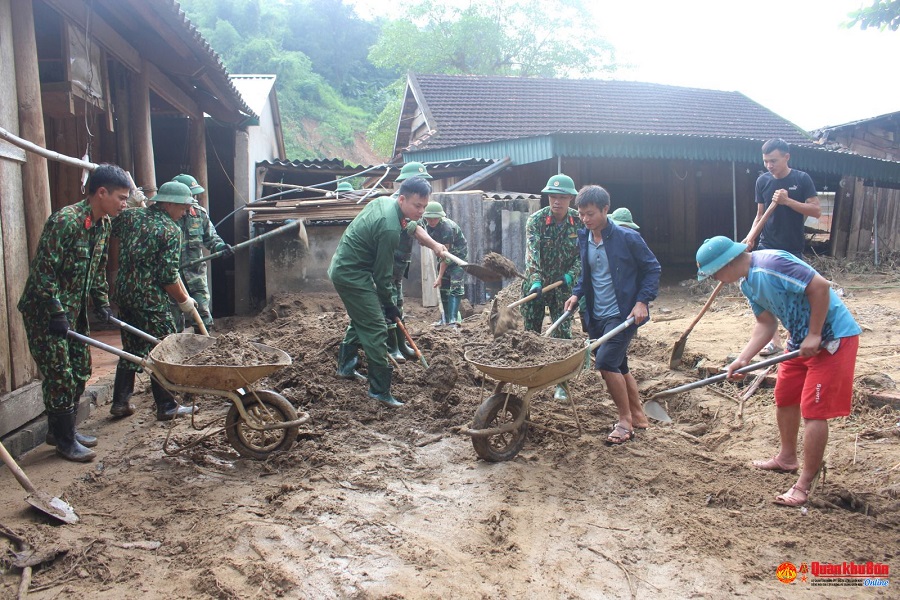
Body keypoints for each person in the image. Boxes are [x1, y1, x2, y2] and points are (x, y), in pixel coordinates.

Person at [695, 236, 860, 507]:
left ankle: (805, 483)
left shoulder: (771, 263)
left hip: (832, 339)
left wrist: (815, 333)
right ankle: (786, 459)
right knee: (784, 397)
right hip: (799, 343)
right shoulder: (748, 283)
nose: (714, 280)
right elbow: (766, 324)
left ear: (726, 263)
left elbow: (819, 286)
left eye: (713, 273)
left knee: (813, 410)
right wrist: (743, 359)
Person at [18, 164, 131, 462]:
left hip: (74, 310)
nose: (124, 203)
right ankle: (65, 442)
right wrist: (55, 311)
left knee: (81, 369)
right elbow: (43, 272)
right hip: (46, 310)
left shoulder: (103, 224)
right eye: (120, 197)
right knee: (60, 375)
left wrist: (102, 303)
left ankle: (60, 431)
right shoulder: (65, 221)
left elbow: (97, 269)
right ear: (101, 192)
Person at [328, 177, 446, 407]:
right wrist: (390, 306)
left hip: (348, 266)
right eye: (416, 206)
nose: (421, 212)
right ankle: (379, 390)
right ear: (402, 199)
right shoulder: (390, 228)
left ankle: (346, 367)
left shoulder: (386, 203)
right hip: (352, 274)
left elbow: (412, 227)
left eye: (424, 206)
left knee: (363, 317)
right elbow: (383, 278)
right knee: (376, 326)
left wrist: (434, 245)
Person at [564, 185, 661, 445]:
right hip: (596, 314)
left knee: (605, 363)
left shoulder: (627, 238)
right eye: (582, 214)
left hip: (624, 312)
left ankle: (624, 422)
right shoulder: (584, 237)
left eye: (591, 213)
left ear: (606, 210)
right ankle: (639, 416)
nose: (585, 219)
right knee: (619, 364)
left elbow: (652, 269)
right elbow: (587, 274)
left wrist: (642, 302)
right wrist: (576, 293)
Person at [110, 181, 202, 420]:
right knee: (163, 347)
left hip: (124, 293)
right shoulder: (170, 231)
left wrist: (131, 208)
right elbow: (167, 277)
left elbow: (112, 228)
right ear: (168, 203)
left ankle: (120, 402)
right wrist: (184, 301)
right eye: (182, 207)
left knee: (131, 346)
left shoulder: (132, 217)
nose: (185, 212)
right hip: (149, 299)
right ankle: (167, 406)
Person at [752, 138, 822, 356]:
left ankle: (796, 337)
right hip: (766, 246)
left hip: (792, 248)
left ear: (786, 157)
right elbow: (760, 215)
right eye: (766, 161)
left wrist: (788, 201)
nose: (769, 165)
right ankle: (773, 341)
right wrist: (750, 238)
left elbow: (816, 211)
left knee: (796, 295)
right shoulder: (762, 181)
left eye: (773, 160)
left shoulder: (801, 179)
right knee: (763, 294)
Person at [523, 174, 582, 400]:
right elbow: (532, 253)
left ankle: (562, 385)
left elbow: (583, 255)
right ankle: (529, 378)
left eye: (562, 197)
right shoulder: (536, 221)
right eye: (552, 197)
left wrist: (571, 275)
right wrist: (536, 279)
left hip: (564, 287)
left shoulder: (578, 221)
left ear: (571, 198)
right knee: (530, 334)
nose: (556, 201)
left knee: (563, 334)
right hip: (535, 285)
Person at [170, 173, 233, 332]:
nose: (194, 199)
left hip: (195, 275)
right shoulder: (165, 215)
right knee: (172, 319)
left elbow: (211, 238)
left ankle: (204, 349)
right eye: (191, 195)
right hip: (171, 278)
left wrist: (221, 247)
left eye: (195, 195)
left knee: (203, 315)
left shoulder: (199, 214)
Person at [388, 162, 433, 362]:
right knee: (388, 306)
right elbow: (413, 228)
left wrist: (432, 244)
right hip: (385, 265)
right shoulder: (395, 205)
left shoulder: (416, 206)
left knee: (399, 303)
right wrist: (434, 244)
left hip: (399, 266)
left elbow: (420, 229)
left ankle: (401, 344)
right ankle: (391, 347)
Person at [421, 201, 468, 326]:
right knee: (444, 288)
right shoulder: (426, 225)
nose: (432, 221)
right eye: (429, 218)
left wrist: (439, 277)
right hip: (444, 257)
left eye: (435, 218)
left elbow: (445, 257)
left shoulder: (447, 228)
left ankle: (453, 320)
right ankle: (445, 319)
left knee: (455, 287)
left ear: (440, 217)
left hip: (457, 257)